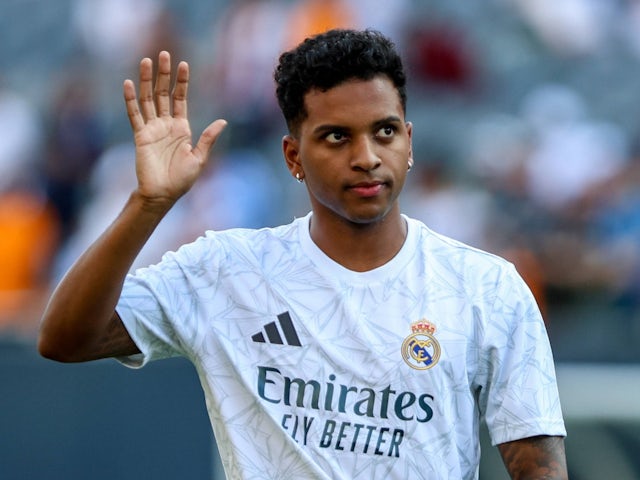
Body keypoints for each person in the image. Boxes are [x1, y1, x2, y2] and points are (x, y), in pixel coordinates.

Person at [38, 29, 568, 479]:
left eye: (384, 132)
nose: (366, 157)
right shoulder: (227, 271)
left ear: (408, 141)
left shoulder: (486, 286)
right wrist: (149, 204)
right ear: (294, 156)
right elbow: (65, 338)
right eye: (336, 137)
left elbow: (537, 465)